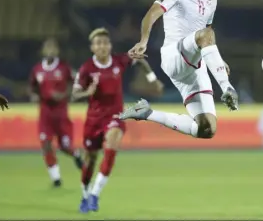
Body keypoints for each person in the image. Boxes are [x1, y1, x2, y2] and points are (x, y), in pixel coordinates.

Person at [117, 0, 239, 140]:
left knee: (207, 129)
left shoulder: (212, 1)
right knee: (205, 35)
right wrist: (144, 40)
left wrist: (218, 61)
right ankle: (228, 89)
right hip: (174, 56)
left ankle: (147, 113)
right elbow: (152, 13)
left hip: (195, 68)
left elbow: (207, 36)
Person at [72, 28, 163, 213]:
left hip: (114, 117)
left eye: (105, 43)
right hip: (93, 121)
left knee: (112, 145)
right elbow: (74, 94)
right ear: (92, 47)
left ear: (110, 46)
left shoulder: (119, 61)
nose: (102, 46)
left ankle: (95, 194)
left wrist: (153, 79)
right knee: (90, 160)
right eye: (98, 43)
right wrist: (87, 93)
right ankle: (85, 194)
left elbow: (139, 59)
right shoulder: (87, 68)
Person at [28, 38, 83, 187]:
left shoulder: (64, 68)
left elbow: (77, 81)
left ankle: (76, 154)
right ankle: (56, 179)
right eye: (47, 47)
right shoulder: (37, 69)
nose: (50, 50)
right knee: (46, 144)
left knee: (65, 147)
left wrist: (66, 94)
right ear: (43, 50)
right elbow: (32, 88)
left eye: (53, 47)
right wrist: (34, 95)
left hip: (61, 114)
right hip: (45, 114)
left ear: (57, 51)